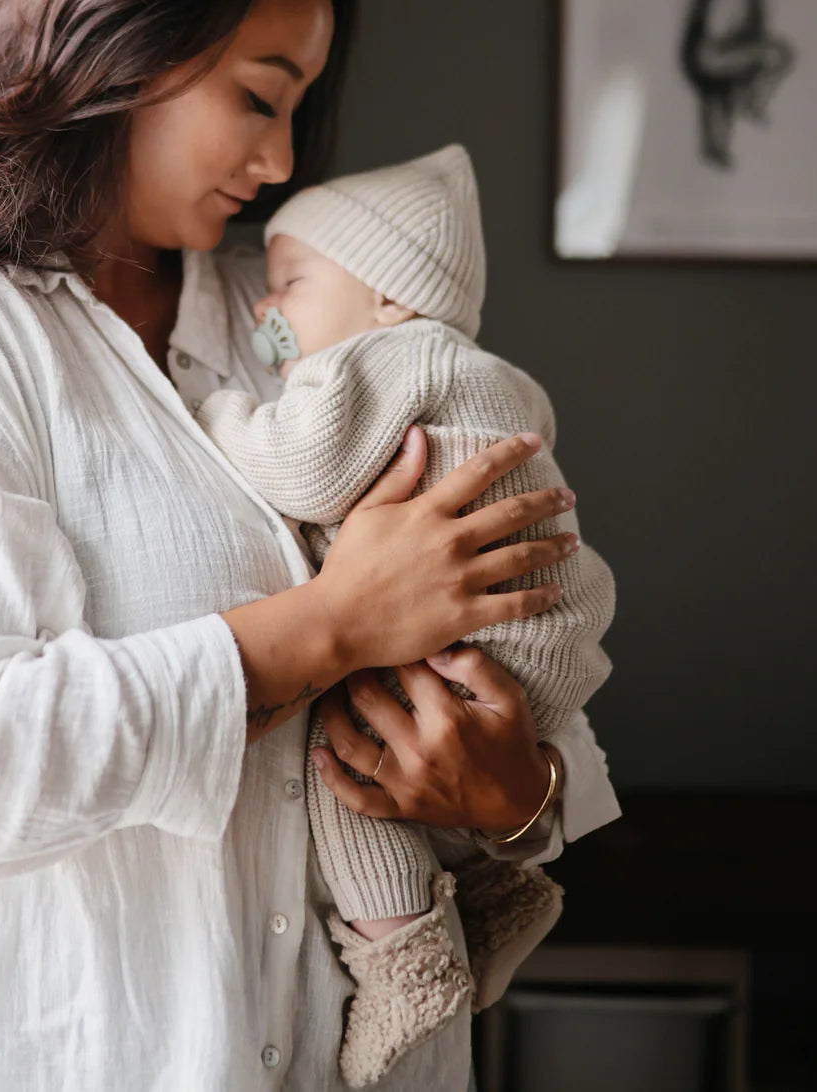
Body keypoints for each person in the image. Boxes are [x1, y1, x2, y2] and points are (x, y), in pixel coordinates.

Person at [0, 0, 620, 1091]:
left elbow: (502, 637)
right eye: (259, 99)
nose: (282, 161)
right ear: (121, 43)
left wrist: (518, 794)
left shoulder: (300, 317)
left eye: (300, 109)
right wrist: (334, 623)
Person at [195, 143, 616, 1086]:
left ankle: (406, 962)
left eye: (292, 282)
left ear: (387, 297)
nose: (267, 308)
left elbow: (302, 468)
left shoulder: (383, 359)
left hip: (474, 642)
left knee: (340, 773)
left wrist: (217, 415)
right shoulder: (482, 371)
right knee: (399, 773)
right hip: (534, 647)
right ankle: (496, 895)